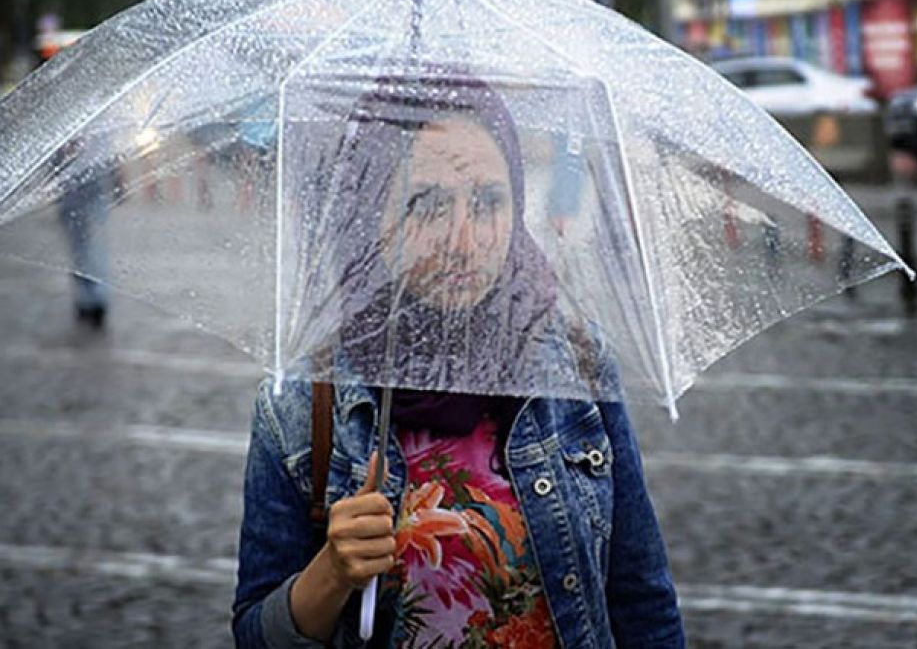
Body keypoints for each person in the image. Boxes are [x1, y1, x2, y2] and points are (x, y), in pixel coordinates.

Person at [231, 72, 684, 648]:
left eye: (489, 201)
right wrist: (330, 574)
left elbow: (641, 600)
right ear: (370, 210)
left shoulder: (573, 362)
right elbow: (254, 634)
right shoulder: (303, 401)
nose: (464, 240)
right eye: (428, 204)